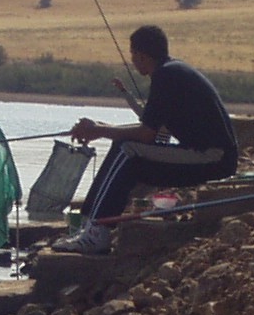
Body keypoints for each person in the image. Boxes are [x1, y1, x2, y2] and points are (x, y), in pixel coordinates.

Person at [56, 25, 238, 254]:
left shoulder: (166, 76)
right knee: (125, 149)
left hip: (212, 157)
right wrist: (100, 128)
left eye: (132, 55)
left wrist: (99, 130)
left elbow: (146, 134)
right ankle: (90, 225)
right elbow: (152, 129)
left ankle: (96, 232)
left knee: (127, 149)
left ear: (141, 55)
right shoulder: (172, 72)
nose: (132, 61)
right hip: (205, 154)